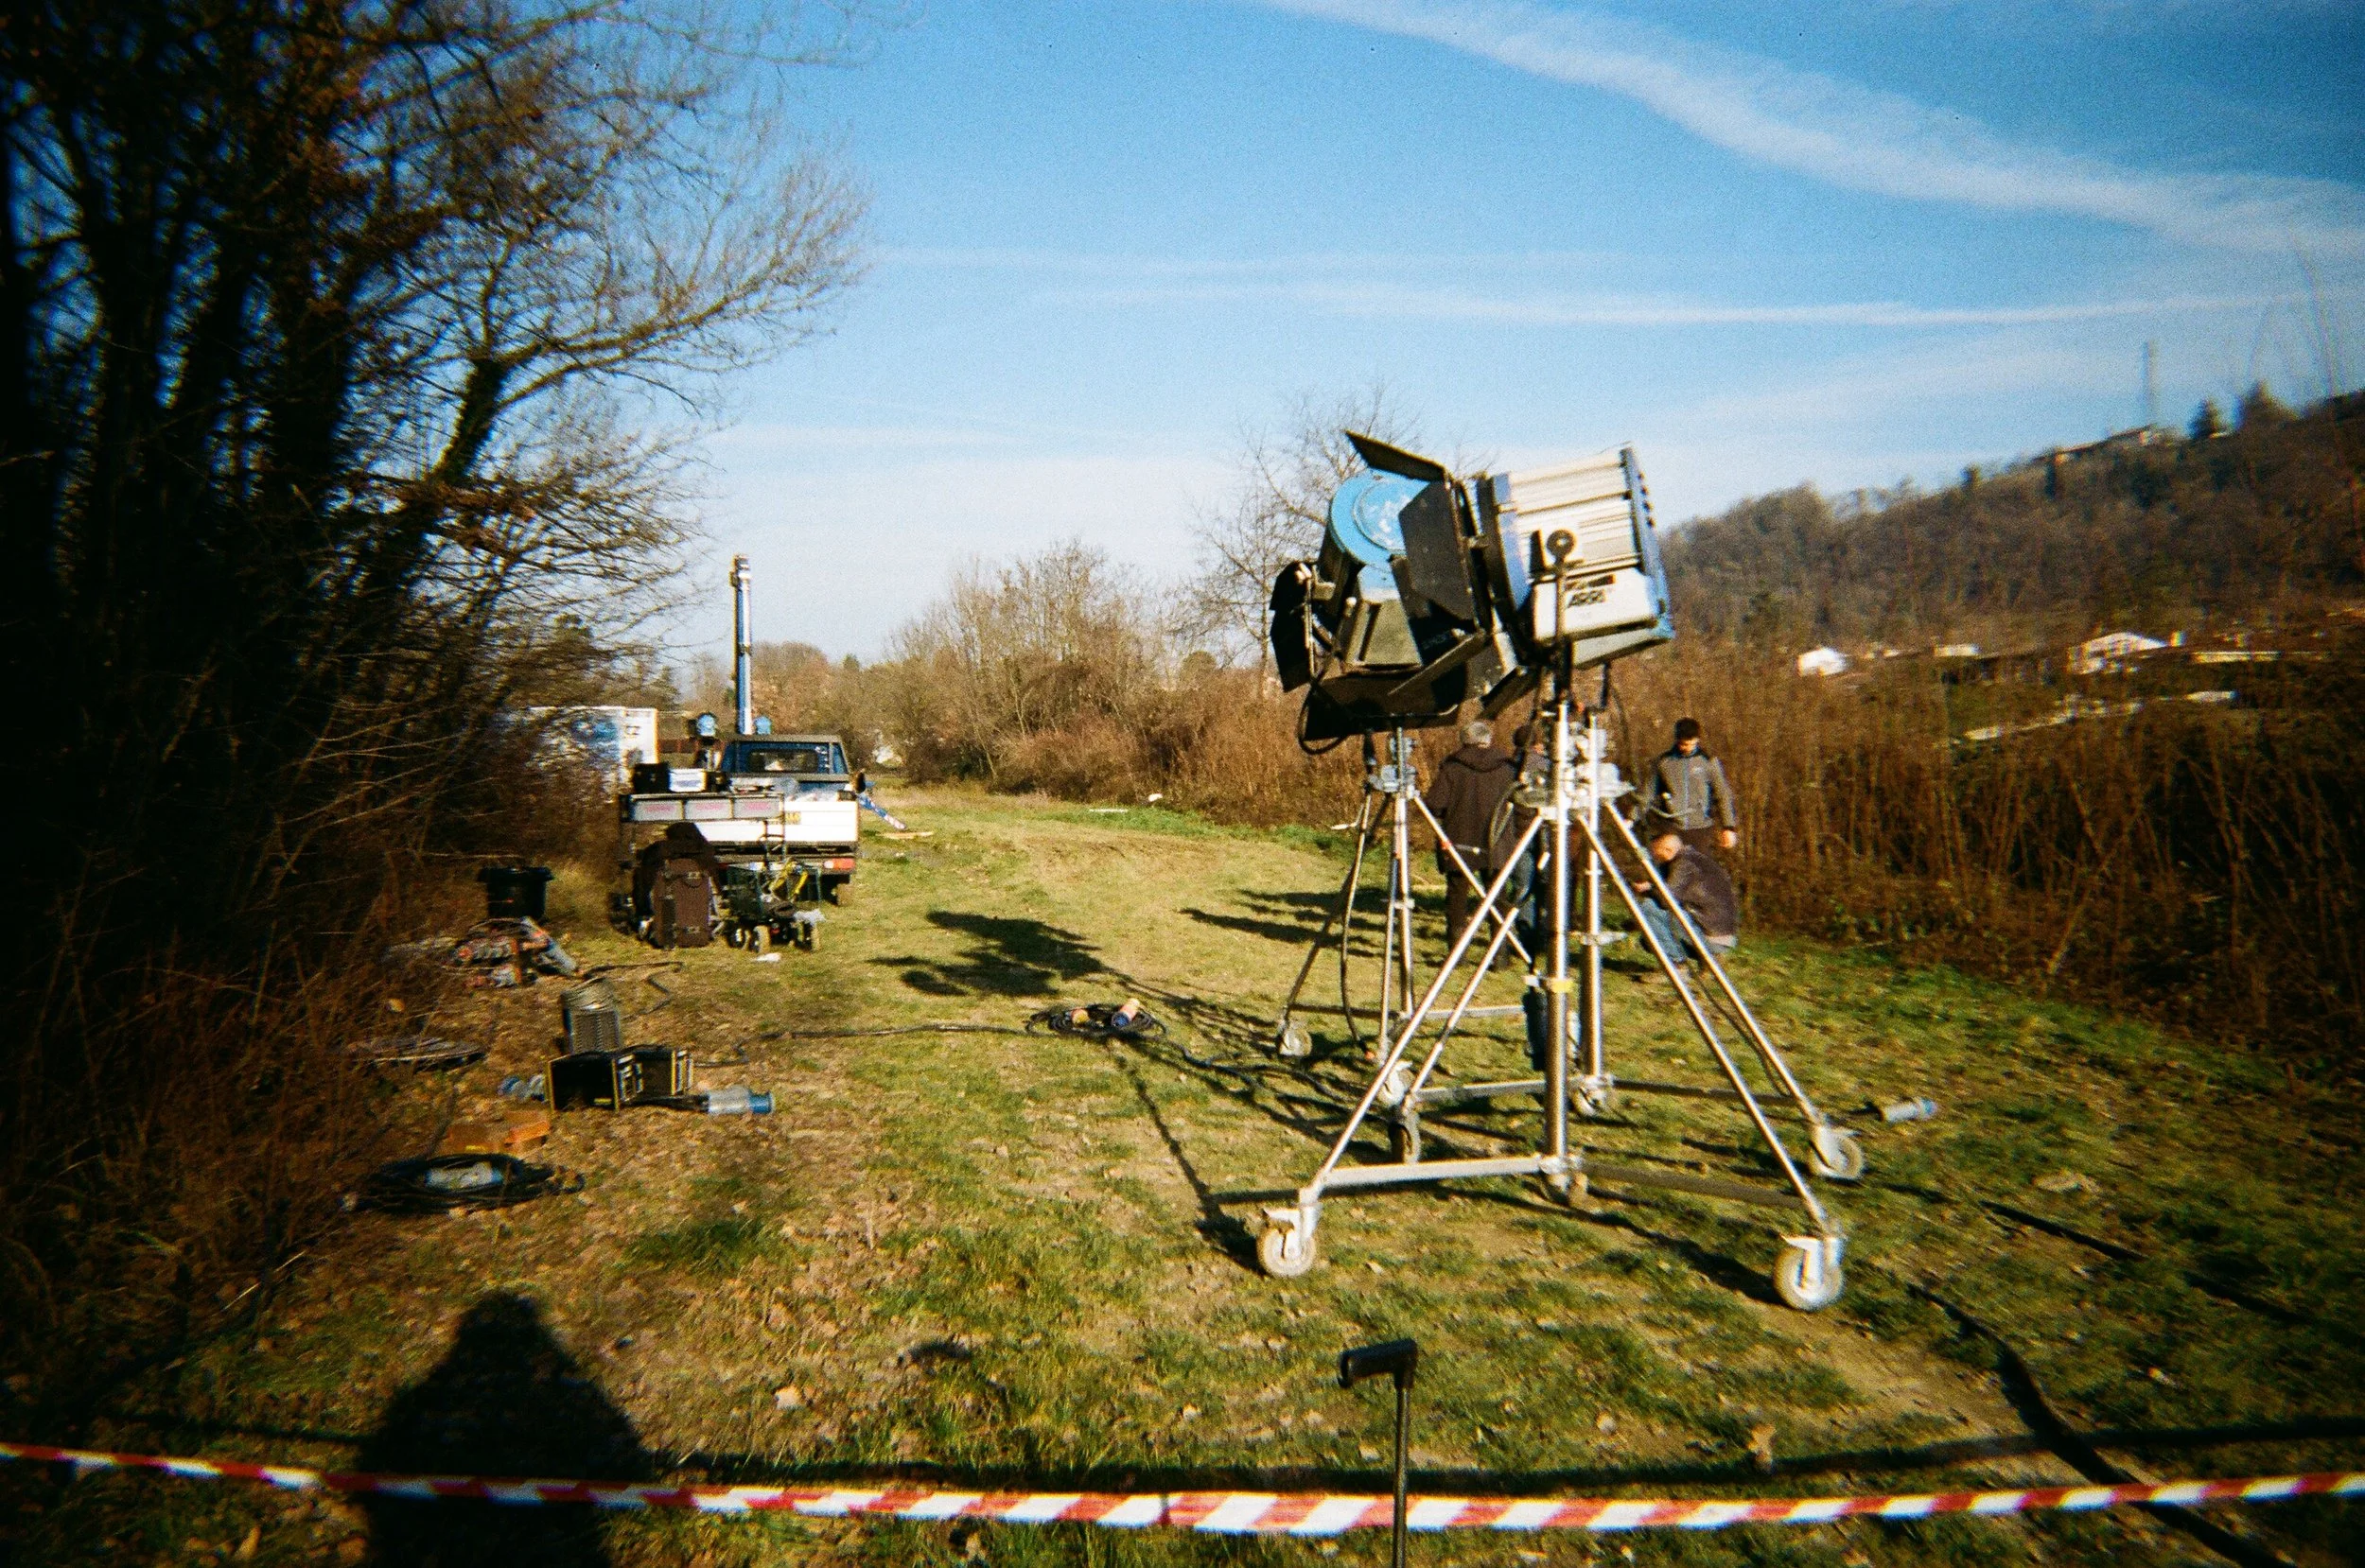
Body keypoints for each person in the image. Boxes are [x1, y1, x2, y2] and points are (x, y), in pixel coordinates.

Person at [1423, 719, 1517, 945]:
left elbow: (1435, 804)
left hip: (1459, 839)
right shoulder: (1508, 768)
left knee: (1457, 895)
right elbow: (1520, 804)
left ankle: (1457, 949)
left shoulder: (1453, 768)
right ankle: (1500, 952)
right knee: (1498, 894)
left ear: (1464, 741)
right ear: (1488, 740)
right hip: (1498, 839)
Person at [1631, 824, 1738, 966]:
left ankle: (1678, 965)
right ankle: (1707, 958)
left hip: (1711, 933)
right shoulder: (1695, 859)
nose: (1655, 856)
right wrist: (1652, 886)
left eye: (1657, 852)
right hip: (1719, 931)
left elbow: (1666, 899)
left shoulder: (1685, 865)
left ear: (1668, 850)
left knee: (1647, 908)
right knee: (1648, 939)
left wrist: (1648, 890)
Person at [1632, 717, 1738, 855]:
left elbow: (1723, 794)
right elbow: (1647, 794)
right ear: (1677, 740)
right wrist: (1632, 817)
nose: (1687, 748)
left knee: (1697, 871)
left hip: (1700, 830)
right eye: (1683, 744)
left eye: (1691, 744)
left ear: (1697, 740)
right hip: (1671, 828)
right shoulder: (1663, 763)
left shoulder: (1708, 762)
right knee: (1671, 872)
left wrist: (1728, 827)